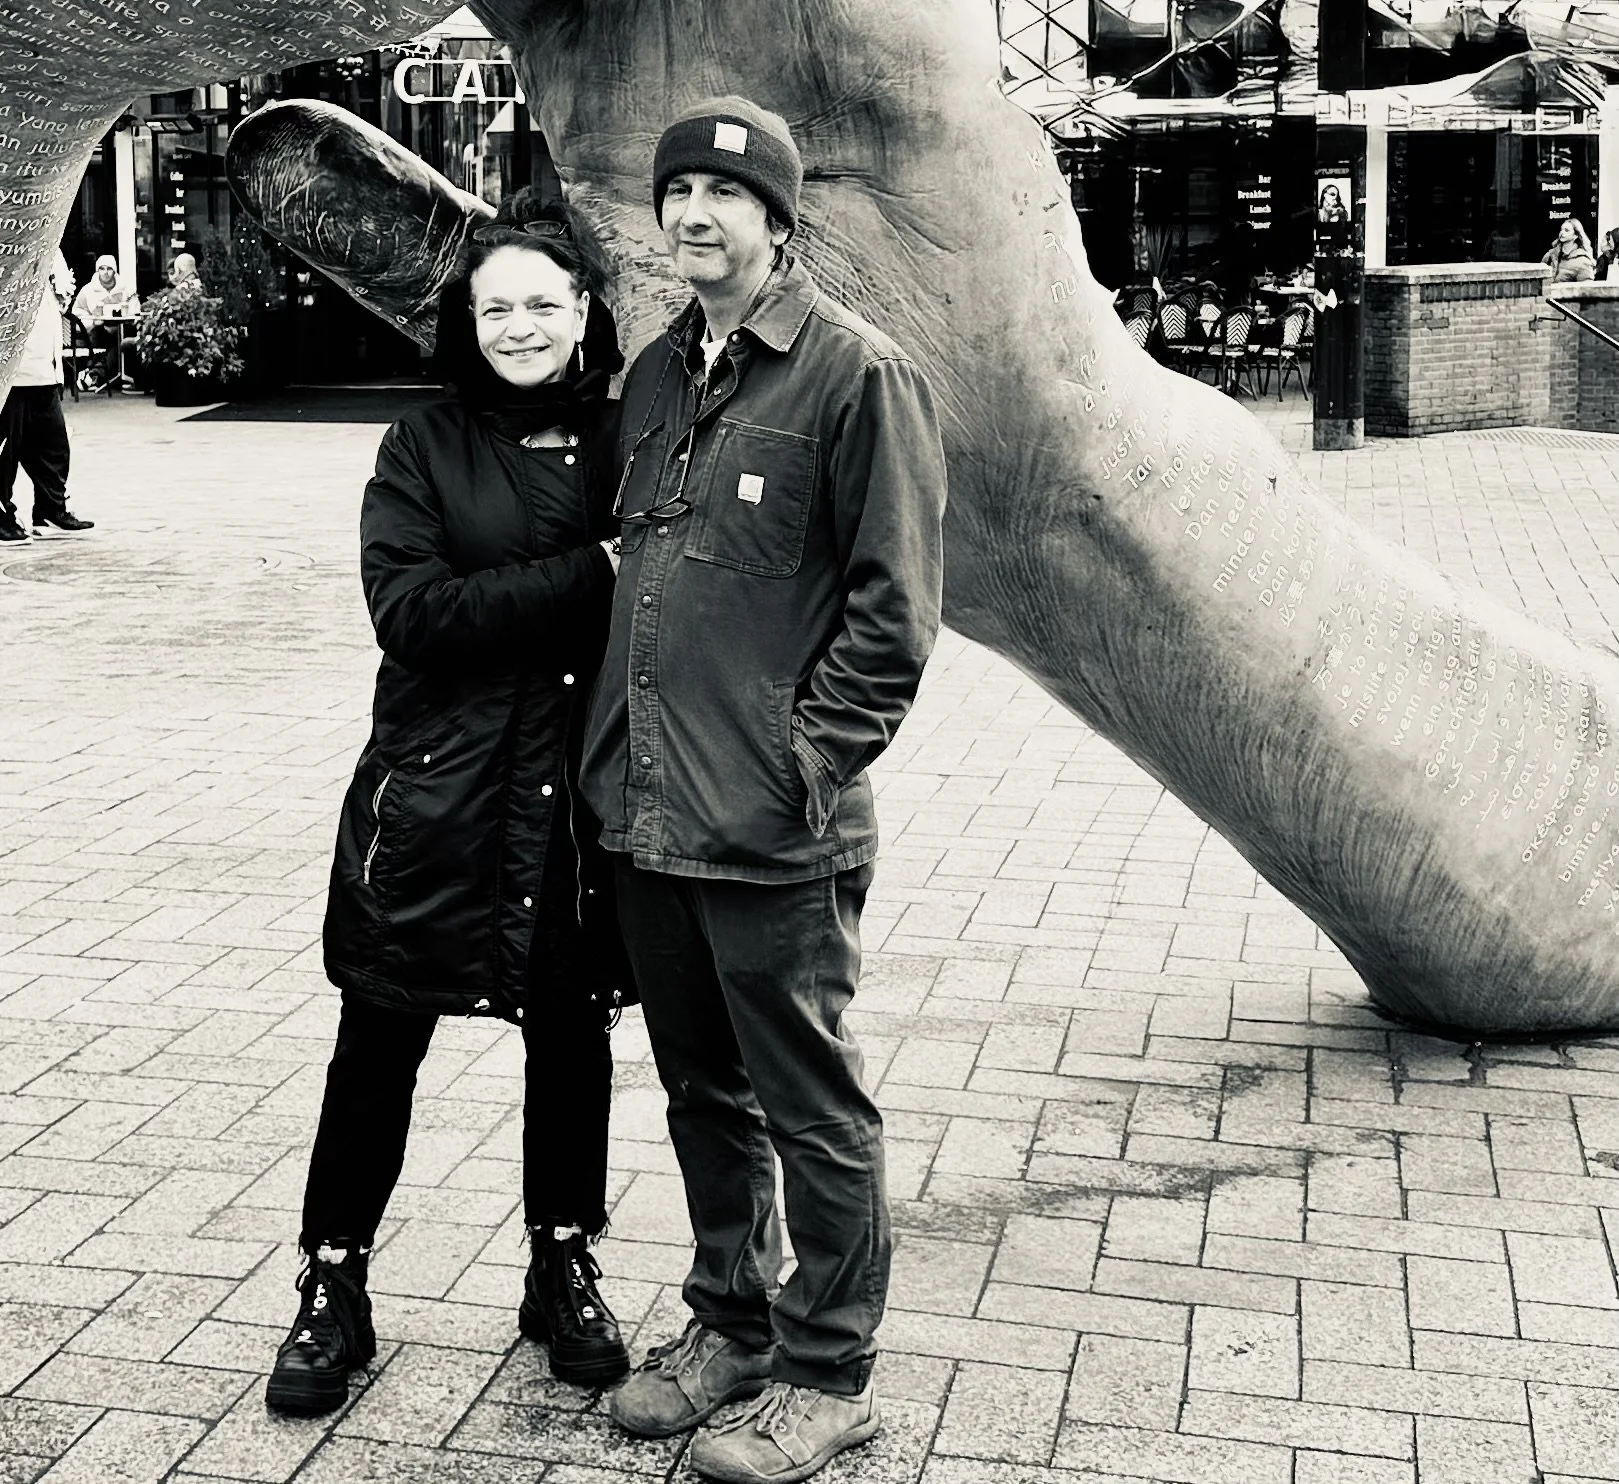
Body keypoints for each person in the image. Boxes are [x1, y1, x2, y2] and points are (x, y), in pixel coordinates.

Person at [582, 97, 947, 1483]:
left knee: (808, 1104)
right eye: (674, 193)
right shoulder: (654, 376)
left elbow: (891, 610)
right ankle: (730, 1323)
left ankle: (826, 1369)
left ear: (776, 220)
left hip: (772, 824)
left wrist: (806, 761)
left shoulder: (855, 379)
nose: (691, 216)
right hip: (647, 812)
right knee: (695, 1091)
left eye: (722, 197)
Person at [264, 190, 635, 1417]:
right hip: (435, 800)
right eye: (496, 308)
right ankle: (333, 1280)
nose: (520, 326)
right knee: (377, 1043)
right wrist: (590, 573)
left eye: (542, 301)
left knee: (570, 1041)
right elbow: (411, 614)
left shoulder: (634, 436)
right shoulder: (420, 447)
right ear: (463, 323)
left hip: (575, 803)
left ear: (583, 309)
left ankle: (561, 1257)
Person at [0, 249, 93, 543]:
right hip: (11, 371)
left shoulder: (52, 243)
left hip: (44, 367)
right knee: (6, 450)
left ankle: (50, 508)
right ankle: (1, 515)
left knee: (54, 445)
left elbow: (61, 295)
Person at [70, 254, 140, 390]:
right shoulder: (88, 290)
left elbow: (135, 309)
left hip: (121, 328)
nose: (105, 272)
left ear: (114, 271)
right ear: (97, 271)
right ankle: (105, 375)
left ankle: (95, 375)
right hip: (97, 330)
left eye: (109, 269)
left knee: (124, 336)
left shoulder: (126, 288)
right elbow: (77, 314)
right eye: (102, 268)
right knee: (112, 343)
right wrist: (93, 322)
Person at [1542, 216, 1596, 283]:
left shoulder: (1582, 261)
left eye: (1566, 230)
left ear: (1575, 235)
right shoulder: (1550, 255)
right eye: (1561, 230)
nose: (1562, 233)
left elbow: (1586, 290)